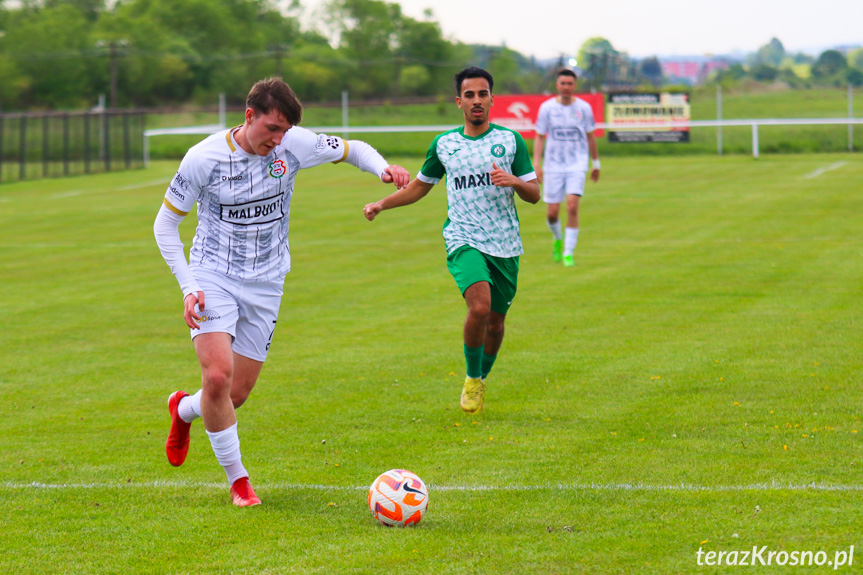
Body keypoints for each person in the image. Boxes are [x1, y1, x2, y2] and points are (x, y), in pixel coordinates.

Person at [153, 77, 409, 507]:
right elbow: (165, 225)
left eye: (285, 131)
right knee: (217, 376)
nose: (278, 139)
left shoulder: (293, 144)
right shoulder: (204, 159)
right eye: (272, 129)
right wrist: (189, 286)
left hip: (268, 281)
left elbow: (353, 148)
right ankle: (240, 483)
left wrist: (382, 168)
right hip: (213, 275)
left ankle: (182, 410)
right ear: (249, 115)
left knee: (233, 395)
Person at [363, 67, 539, 414]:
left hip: (504, 243)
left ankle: (480, 378)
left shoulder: (511, 141)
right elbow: (419, 186)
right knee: (479, 308)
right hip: (463, 236)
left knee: (497, 322)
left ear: (492, 99)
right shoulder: (444, 144)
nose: (477, 101)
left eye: (482, 94)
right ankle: (473, 378)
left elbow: (534, 193)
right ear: (459, 102)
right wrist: (381, 203)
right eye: (469, 95)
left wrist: (514, 182)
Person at [533, 69, 601, 267]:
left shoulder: (584, 108)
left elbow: (590, 136)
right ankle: (557, 239)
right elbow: (539, 136)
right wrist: (536, 164)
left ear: (575, 86)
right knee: (552, 213)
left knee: (572, 205)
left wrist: (595, 163)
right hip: (553, 165)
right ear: (557, 85)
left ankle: (568, 253)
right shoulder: (547, 108)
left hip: (577, 164)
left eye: (570, 84)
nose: (566, 87)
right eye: (563, 83)